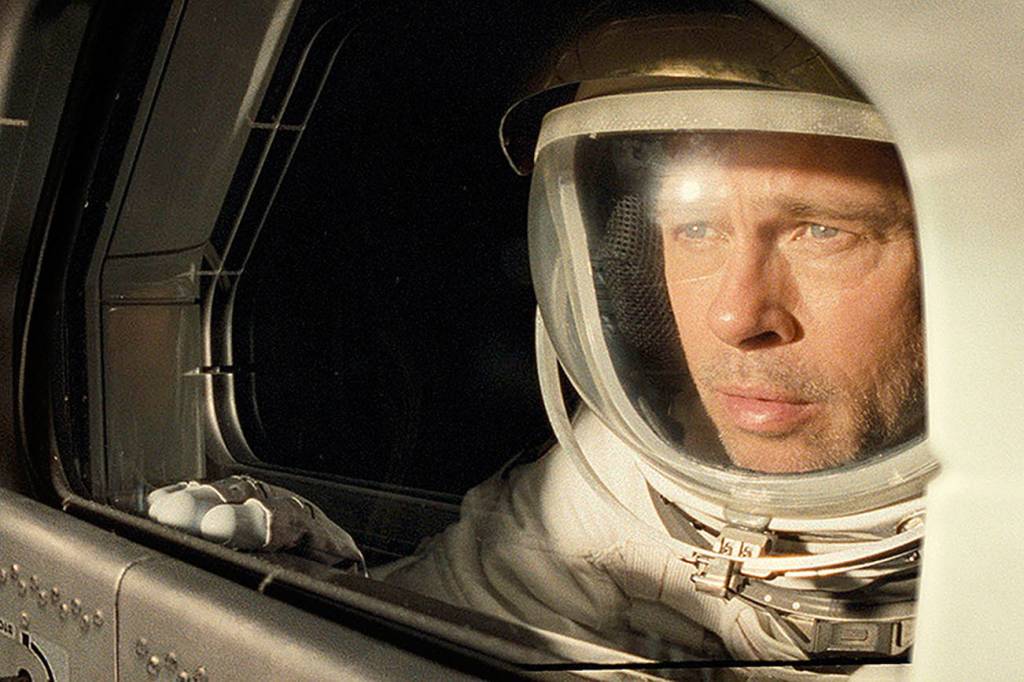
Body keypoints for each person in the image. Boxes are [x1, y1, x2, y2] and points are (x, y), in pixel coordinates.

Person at [148, 1, 936, 671]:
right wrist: (320, 601)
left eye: (823, 231)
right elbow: (439, 631)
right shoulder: (622, 481)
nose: (736, 316)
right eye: (696, 229)